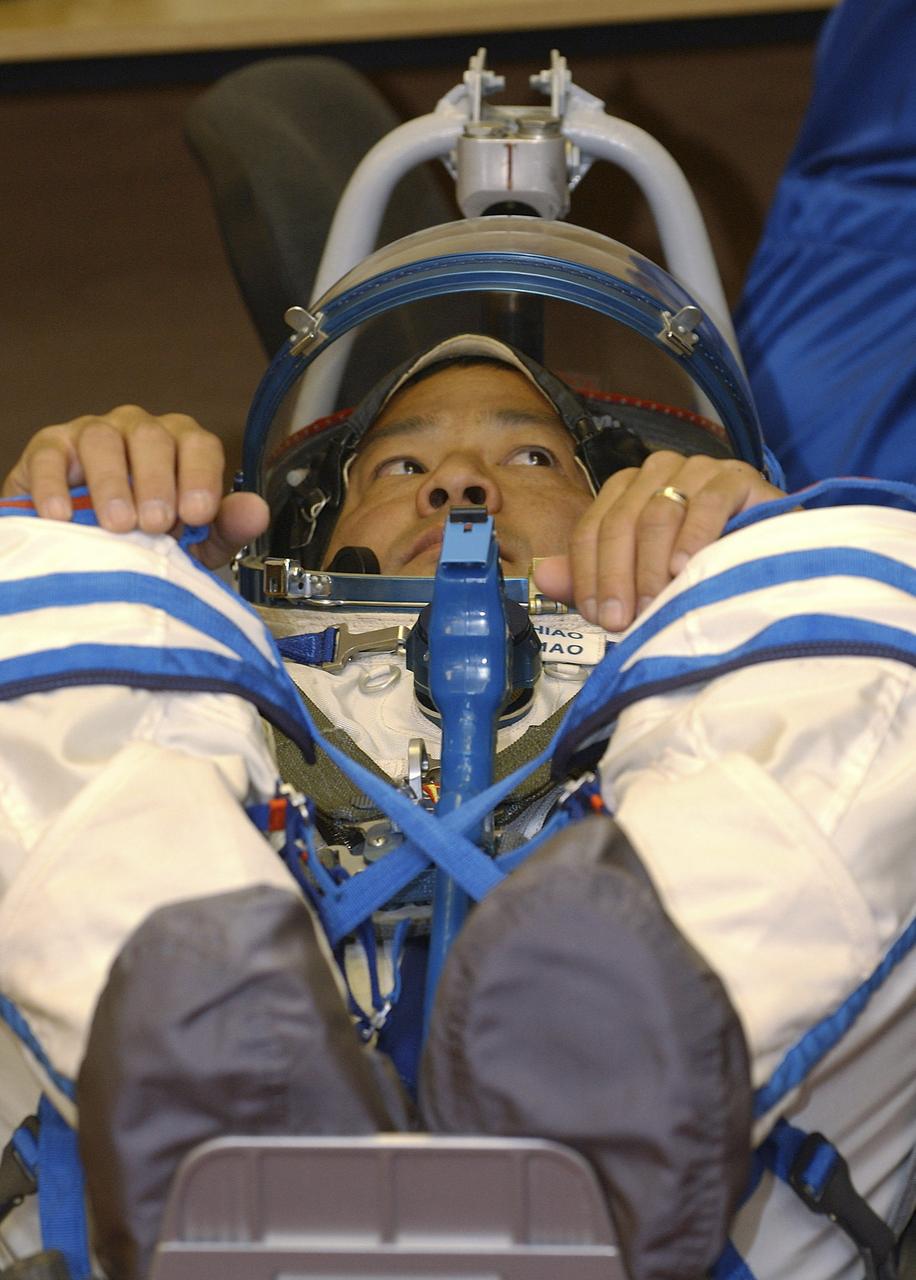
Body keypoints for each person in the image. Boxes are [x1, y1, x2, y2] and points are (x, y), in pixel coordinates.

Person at [0, 335, 913, 1280]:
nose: (461, 485)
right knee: (34, 563)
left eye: (530, 456)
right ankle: (232, 1087)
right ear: (314, 529)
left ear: (613, 506)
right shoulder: (198, 670)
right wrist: (82, 538)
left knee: (866, 555)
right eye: (406, 463)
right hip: (129, 1208)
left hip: (706, 1214)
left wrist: (758, 556)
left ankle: (586, 1088)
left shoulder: (714, 662)